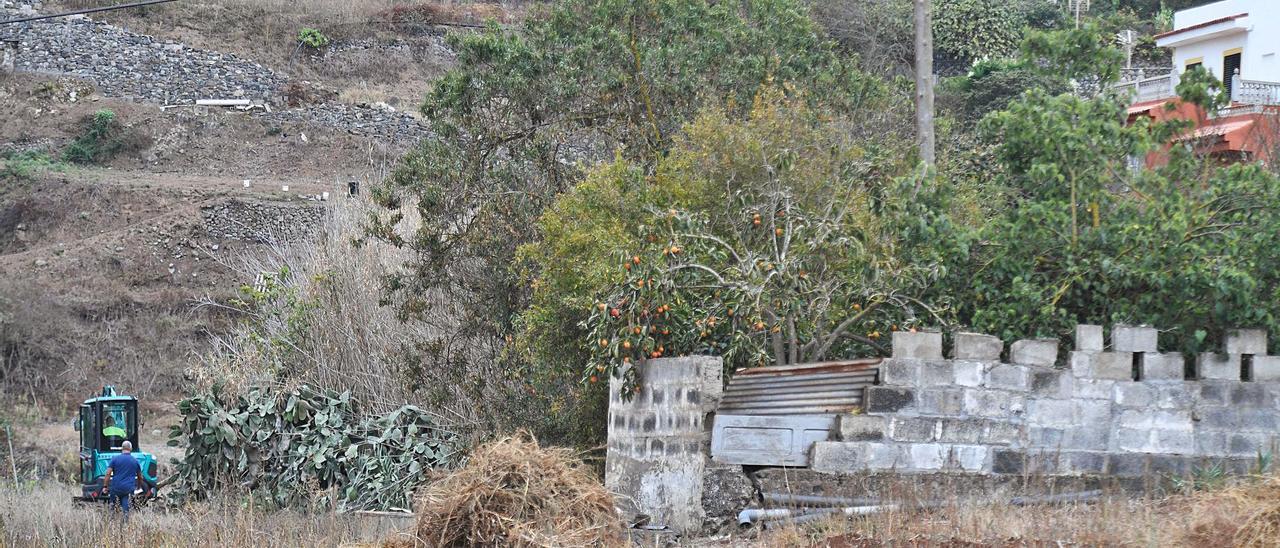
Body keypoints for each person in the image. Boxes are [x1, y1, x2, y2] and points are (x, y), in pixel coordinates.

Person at [101, 440, 149, 520]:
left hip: (116, 487)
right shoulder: (135, 461)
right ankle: (124, 527)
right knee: (126, 510)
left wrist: (105, 486)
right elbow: (140, 477)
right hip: (128, 489)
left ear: (122, 448)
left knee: (112, 507)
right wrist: (139, 486)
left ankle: (111, 524)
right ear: (131, 448)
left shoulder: (114, 459)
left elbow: (108, 473)